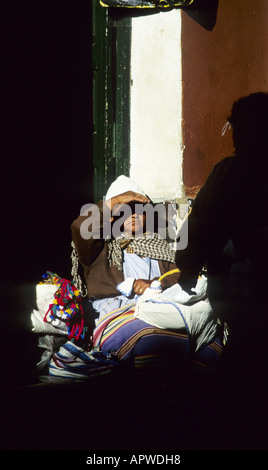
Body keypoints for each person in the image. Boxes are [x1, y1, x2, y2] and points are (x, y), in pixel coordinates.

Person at [175, 92, 268, 403]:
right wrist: (187, 265)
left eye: (247, 128)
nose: (238, 136)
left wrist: (189, 266)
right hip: (236, 291)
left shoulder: (229, 173)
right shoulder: (225, 172)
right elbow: (198, 222)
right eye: (236, 128)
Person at [71, 175, 179, 325]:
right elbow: (80, 227)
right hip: (114, 315)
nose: (133, 215)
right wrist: (115, 201)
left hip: (155, 312)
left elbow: (177, 277)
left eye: (138, 209)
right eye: (124, 210)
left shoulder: (158, 246)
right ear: (111, 217)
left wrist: (155, 284)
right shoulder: (101, 247)